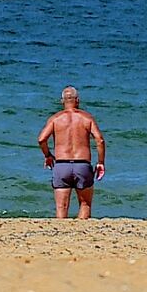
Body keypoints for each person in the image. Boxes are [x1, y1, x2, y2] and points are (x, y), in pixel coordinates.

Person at [37, 86, 106, 219]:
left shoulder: (55, 119)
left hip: (62, 165)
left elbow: (41, 139)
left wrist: (48, 155)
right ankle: (81, 233)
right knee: (85, 204)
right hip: (83, 164)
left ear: (62, 101)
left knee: (61, 207)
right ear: (78, 100)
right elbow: (100, 140)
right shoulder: (87, 118)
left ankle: (62, 235)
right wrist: (101, 162)